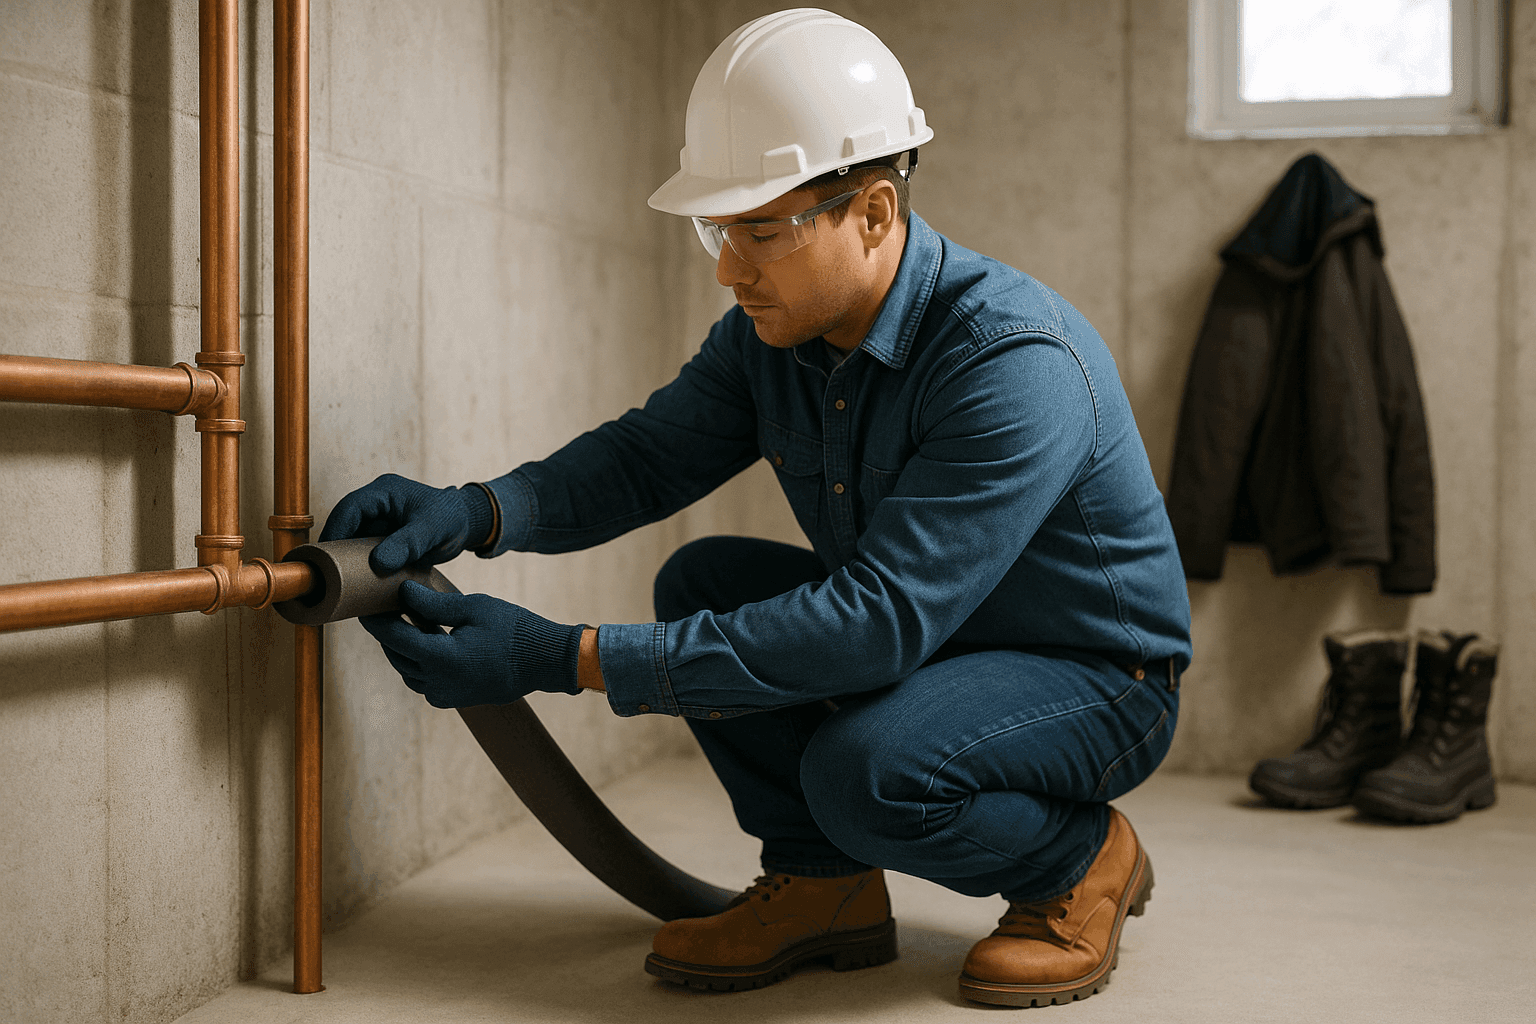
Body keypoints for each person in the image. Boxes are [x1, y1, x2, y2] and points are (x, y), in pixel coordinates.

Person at [321, 8, 1191, 1008]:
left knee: (864, 771)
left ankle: (1079, 859)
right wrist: (478, 510)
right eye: (716, 231)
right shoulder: (769, 336)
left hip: (1094, 673)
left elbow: (877, 623)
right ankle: (826, 887)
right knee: (702, 579)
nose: (730, 268)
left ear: (871, 213)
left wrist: (560, 658)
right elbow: (647, 458)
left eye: (761, 230)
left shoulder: (1010, 360)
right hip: (943, 643)